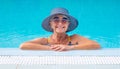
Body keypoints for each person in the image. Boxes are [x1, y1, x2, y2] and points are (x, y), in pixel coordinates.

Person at [20, 8, 100, 51]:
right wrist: (52, 48)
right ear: (50, 24)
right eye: (56, 19)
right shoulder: (45, 41)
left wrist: (70, 47)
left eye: (64, 19)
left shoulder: (75, 38)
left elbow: (96, 45)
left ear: (68, 24)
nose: (60, 23)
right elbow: (23, 45)